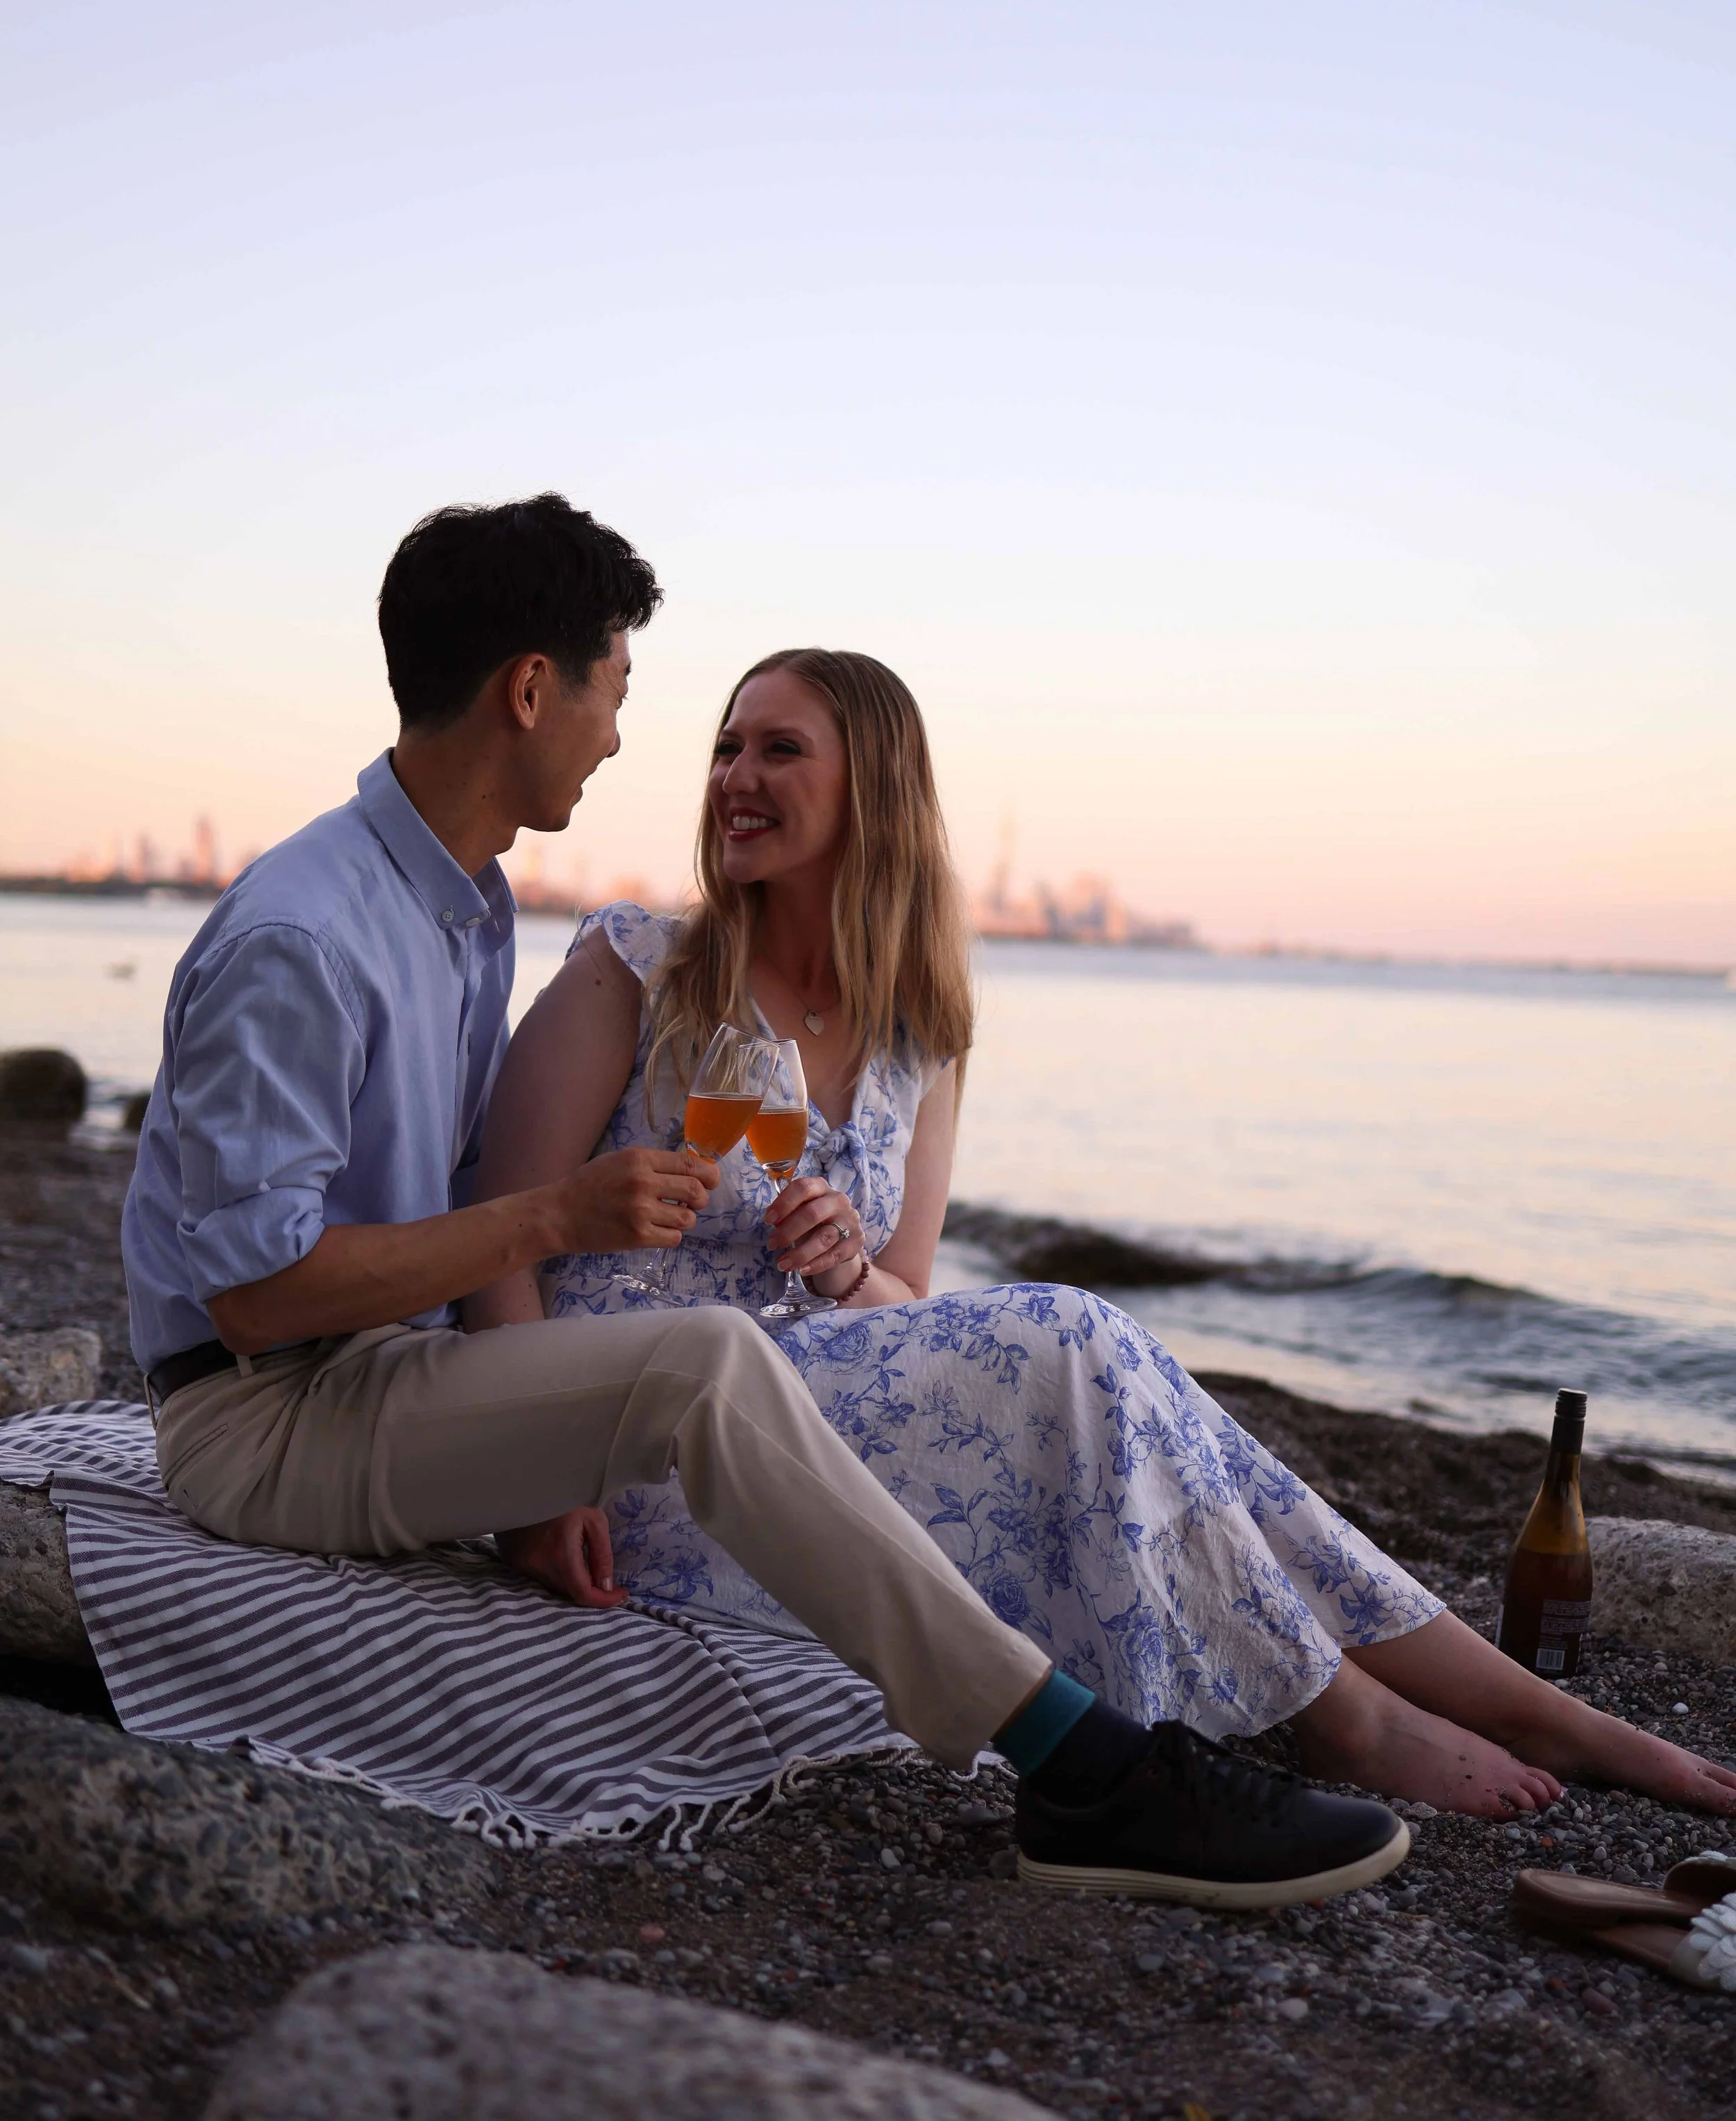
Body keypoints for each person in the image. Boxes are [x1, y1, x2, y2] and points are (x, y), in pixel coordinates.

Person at [120, 493, 1410, 1911]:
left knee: (854, 1360)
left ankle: (1295, 1703)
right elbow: (256, 1297)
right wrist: (552, 1227)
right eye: (617, 693)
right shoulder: (309, 932)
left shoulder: (460, 908)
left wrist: (527, 1439)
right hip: (264, 1415)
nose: (623, 738)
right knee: (710, 1357)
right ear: (532, 690)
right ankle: (1081, 1763)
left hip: (389, 1378)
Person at [468, 646, 1736, 1824]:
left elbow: (908, 1296)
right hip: (653, 1440)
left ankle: (1535, 1708)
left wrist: (850, 1268)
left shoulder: (920, 1035)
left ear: (877, 792)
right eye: (727, 747)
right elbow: (497, 1229)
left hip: (830, 1414)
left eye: (779, 750)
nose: (736, 777)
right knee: (1081, 1333)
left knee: (1174, 1416)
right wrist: (538, 1480)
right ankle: (1346, 1717)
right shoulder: (639, 963)